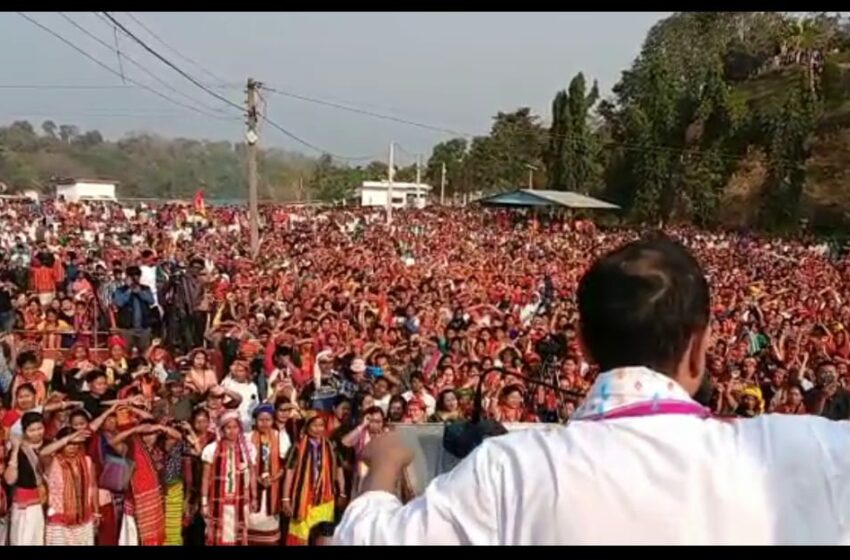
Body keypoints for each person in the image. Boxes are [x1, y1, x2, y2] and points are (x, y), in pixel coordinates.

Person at [334, 236, 850, 545]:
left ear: (581, 345)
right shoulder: (809, 451)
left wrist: (383, 464)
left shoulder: (513, 468)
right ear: (699, 347)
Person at [282, 413, 345, 546]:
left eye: (321, 425)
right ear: (307, 426)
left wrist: (342, 492)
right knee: (300, 535)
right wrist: (286, 498)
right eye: (314, 425)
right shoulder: (298, 446)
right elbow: (289, 472)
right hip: (303, 498)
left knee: (322, 536)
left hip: (325, 499)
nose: (318, 429)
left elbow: (339, 469)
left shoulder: (331, 446)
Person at [200, 410, 256, 546]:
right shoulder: (211, 449)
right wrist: (204, 502)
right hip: (218, 500)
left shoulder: (248, 449)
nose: (232, 431)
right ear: (222, 429)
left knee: (238, 536)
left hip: (241, 500)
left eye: (235, 427)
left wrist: (254, 497)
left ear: (240, 428)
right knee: (216, 537)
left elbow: (252, 474)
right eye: (228, 428)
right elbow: (206, 478)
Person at [39, 426, 99, 545]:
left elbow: (93, 486)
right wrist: (69, 437)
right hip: (59, 520)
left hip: (84, 518)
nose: (73, 447)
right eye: (69, 443)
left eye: (76, 444)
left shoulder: (86, 461)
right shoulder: (52, 461)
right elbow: (42, 452)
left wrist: (96, 511)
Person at [247, 404, 291, 545]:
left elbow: (286, 465)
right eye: (261, 420)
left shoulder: (280, 436)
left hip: (274, 485)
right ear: (255, 421)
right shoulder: (247, 437)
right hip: (252, 486)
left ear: (273, 421)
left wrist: (274, 478)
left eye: (268, 420)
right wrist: (257, 478)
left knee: (269, 528)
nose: (265, 423)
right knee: (251, 524)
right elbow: (246, 463)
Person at [4, 411, 47, 545]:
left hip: (46, 502)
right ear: (24, 431)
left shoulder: (50, 445)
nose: (37, 433)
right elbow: (10, 480)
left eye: (40, 428)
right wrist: (16, 449)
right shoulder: (19, 451)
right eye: (32, 430)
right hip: (25, 506)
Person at [113, 266, 156, 355]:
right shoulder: (120, 290)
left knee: (146, 354)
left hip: (144, 328)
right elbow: (118, 303)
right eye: (132, 275)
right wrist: (129, 290)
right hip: (127, 329)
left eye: (137, 275)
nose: (135, 278)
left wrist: (140, 292)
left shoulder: (145, 288)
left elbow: (151, 301)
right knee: (125, 353)